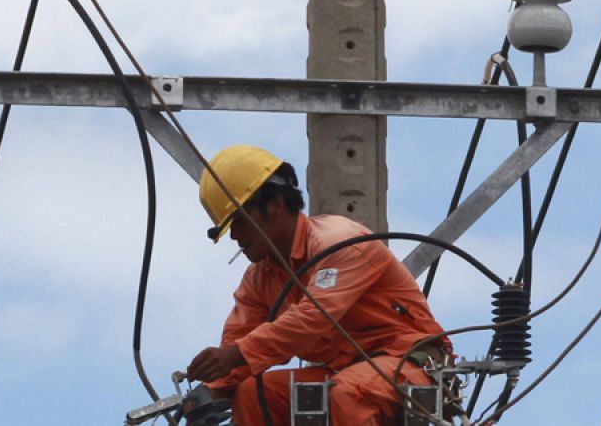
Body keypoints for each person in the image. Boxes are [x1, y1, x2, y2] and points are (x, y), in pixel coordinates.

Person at [185, 145, 449, 425]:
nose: (234, 235)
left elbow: (314, 317)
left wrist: (234, 355)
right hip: (344, 371)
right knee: (253, 394)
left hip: (409, 362)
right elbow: (238, 344)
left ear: (275, 204)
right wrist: (207, 395)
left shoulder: (339, 243)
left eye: (239, 221)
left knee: (349, 394)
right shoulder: (259, 280)